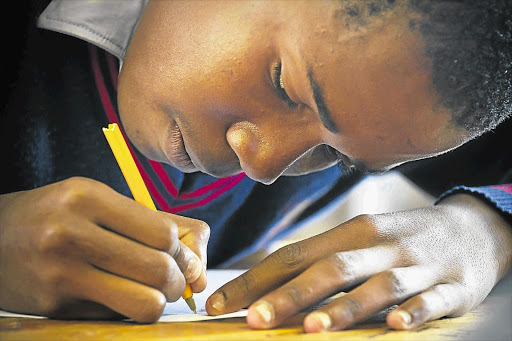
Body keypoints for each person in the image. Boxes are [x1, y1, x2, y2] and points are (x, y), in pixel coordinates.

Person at [1, 0, 510, 333]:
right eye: (284, 86)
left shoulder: (408, 88)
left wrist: (484, 229)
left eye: (336, 158)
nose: (263, 164)